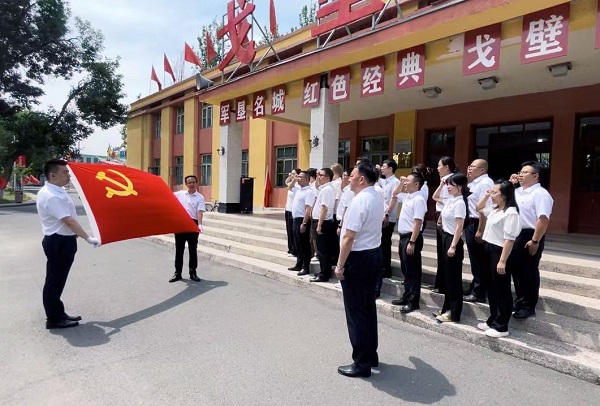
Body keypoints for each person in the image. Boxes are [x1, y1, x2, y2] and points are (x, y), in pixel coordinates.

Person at [36, 159, 100, 329]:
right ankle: (54, 319)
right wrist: (87, 237)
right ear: (52, 174)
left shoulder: (57, 190)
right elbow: (69, 221)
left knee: (58, 280)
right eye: (65, 172)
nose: (68, 175)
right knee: (54, 280)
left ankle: (58, 312)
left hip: (62, 241)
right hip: (59, 242)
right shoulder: (51, 196)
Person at [335, 161, 384, 378]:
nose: (349, 177)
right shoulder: (376, 196)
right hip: (372, 255)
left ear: (362, 179)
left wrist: (340, 265)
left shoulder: (360, 200)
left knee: (356, 312)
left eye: (352, 174)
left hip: (358, 259)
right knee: (367, 309)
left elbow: (348, 237)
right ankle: (370, 355)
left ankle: (361, 363)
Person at [476, 179, 522, 337]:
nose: (491, 195)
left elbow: (509, 240)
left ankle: (502, 326)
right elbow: (479, 208)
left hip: (501, 252)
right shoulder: (496, 209)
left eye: (494, 192)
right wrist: (486, 195)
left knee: (501, 289)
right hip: (488, 249)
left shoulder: (511, 213)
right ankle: (492, 319)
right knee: (492, 287)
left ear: (505, 195)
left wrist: (502, 261)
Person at [511, 161, 553, 319]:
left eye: (525, 172)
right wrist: (510, 183)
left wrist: (535, 240)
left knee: (528, 271)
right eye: (520, 171)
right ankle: (520, 300)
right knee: (516, 270)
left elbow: (543, 219)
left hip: (530, 235)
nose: (520, 174)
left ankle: (529, 305)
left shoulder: (541, 194)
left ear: (535, 176)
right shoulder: (517, 191)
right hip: (516, 233)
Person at [432, 173, 469, 323]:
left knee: (453, 279)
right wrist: (440, 222)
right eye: (447, 184)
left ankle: (454, 313)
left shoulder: (460, 203)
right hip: (445, 237)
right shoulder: (451, 200)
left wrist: (453, 246)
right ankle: (446, 309)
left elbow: (459, 226)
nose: (447, 187)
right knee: (447, 278)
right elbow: (435, 197)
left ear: (459, 187)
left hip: (453, 240)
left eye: (450, 184)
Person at [390, 172, 427, 313]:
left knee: (413, 271)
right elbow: (394, 194)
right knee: (405, 270)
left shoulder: (419, 199)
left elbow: (418, 222)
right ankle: (406, 296)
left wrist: (412, 241)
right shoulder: (408, 197)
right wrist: (401, 182)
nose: (405, 183)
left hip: (411, 237)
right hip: (403, 237)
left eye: (408, 181)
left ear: (416, 184)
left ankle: (413, 301)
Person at [464, 159, 494, 303]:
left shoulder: (485, 183)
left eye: (473, 167)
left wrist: (481, 230)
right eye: (469, 166)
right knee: (475, 258)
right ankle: (476, 286)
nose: (469, 169)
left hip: (478, 223)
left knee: (480, 259)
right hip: (471, 222)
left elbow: (484, 209)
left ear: (482, 170)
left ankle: (480, 292)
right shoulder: (474, 183)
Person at [170, 175, 204, 283]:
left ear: (196, 183)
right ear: (186, 184)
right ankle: (177, 273)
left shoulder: (200, 197)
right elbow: (168, 196)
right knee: (179, 250)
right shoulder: (180, 194)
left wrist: (199, 224)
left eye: (193, 182)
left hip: (192, 223)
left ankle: (193, 272)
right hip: (180, 224)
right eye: (189, 183)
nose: (191, 184)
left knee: (192, 250)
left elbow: (199, 212)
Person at [433, 156, 458, 294]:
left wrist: (441, 218)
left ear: (446, 167)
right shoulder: (445, 180)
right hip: (442, 214)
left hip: (446, 217)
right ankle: (440, 283)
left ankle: (443, 285)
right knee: (440, 252)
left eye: (439, 165)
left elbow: (448, 201)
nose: (437, 168)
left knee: (444, 254)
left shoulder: (450, 180)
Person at [377, 159, 400, 298]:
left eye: (384, 167)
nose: (382, 169)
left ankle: (386, 268)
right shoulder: (383, 181)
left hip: (388, 217)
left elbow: (393, 199)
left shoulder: (395, 182)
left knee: (385, 243)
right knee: (381, 242)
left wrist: (387, 214)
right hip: (381, 216)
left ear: (390, 168)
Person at [311, 168, 337, 282]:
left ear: (327, 177)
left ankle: (324, 274)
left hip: (323, 222)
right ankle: (323, 271)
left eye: (320, 175)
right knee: (322, 250)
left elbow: (324, 208)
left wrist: (319, 225)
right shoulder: (325, 188)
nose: (318, 177)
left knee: (322, 250)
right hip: (321, 221)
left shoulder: (327, 189)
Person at [287, 171, 315, 276]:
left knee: (304, 244)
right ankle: (299, 263)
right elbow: (289, 187)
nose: (298, 178)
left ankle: (306, 267)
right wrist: (294, 178)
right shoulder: (299, 189)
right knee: (297, 243)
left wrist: (304, 223)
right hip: (295, 219)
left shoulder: (309, 192)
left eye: (300, 177)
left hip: (302, 220)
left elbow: (308, 209)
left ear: (307, 179)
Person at [284, 169, 302, 257]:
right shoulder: (291, 183)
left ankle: (294, 249)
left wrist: (294, 179)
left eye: (294, 173)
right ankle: (290, 248)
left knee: (293, 231)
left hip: (293, 211)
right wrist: (290, 176)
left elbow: (289, 186)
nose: (292, 175)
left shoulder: (298, 186)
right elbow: (286, 182)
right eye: (291, 173)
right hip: (288, 209)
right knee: (289, 230)